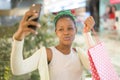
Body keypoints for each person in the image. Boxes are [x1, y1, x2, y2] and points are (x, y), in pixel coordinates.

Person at [10, 10, 95, 80]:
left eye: (70, 28)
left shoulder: (79, 53)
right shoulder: (47, 54)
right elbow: (18, 69)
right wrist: (19, 36)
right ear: (56, 32)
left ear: (75, 30)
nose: (66, 32)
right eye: (61, 29)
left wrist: (87, 33)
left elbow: (97, 67)